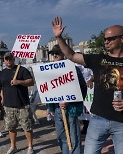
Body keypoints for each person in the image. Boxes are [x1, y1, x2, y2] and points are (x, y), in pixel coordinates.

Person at [52, 17, 123, 154]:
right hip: (98, 119)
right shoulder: (98, 59)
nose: (106, 42)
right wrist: (59, 37)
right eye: (105, 39)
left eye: (111, 38)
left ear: (121, 39)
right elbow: (71, 55)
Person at [48, 44, 87, 154]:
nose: (55, 55)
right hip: (57, 109)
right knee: (61, 137)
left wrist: (69, 101)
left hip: (71, 109)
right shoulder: (49, 71)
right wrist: (50, 107)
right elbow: (48, 91)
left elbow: (82, 88)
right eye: (53, 53)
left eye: (57, 53)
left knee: (74, 137)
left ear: (63, 54)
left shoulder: (73, 69)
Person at [0, 52, 35, 154]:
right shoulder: (1, 73)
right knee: (11, 128)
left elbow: (31, 81)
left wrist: (19, 82)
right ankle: (13, 146)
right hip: (8, 106)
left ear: (14, 59)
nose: (8, 61)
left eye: (10, 58)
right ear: (4, 60)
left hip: (23, 105)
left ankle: (30, 147)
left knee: (27, 127)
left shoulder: (22, 70)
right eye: (6, 59)